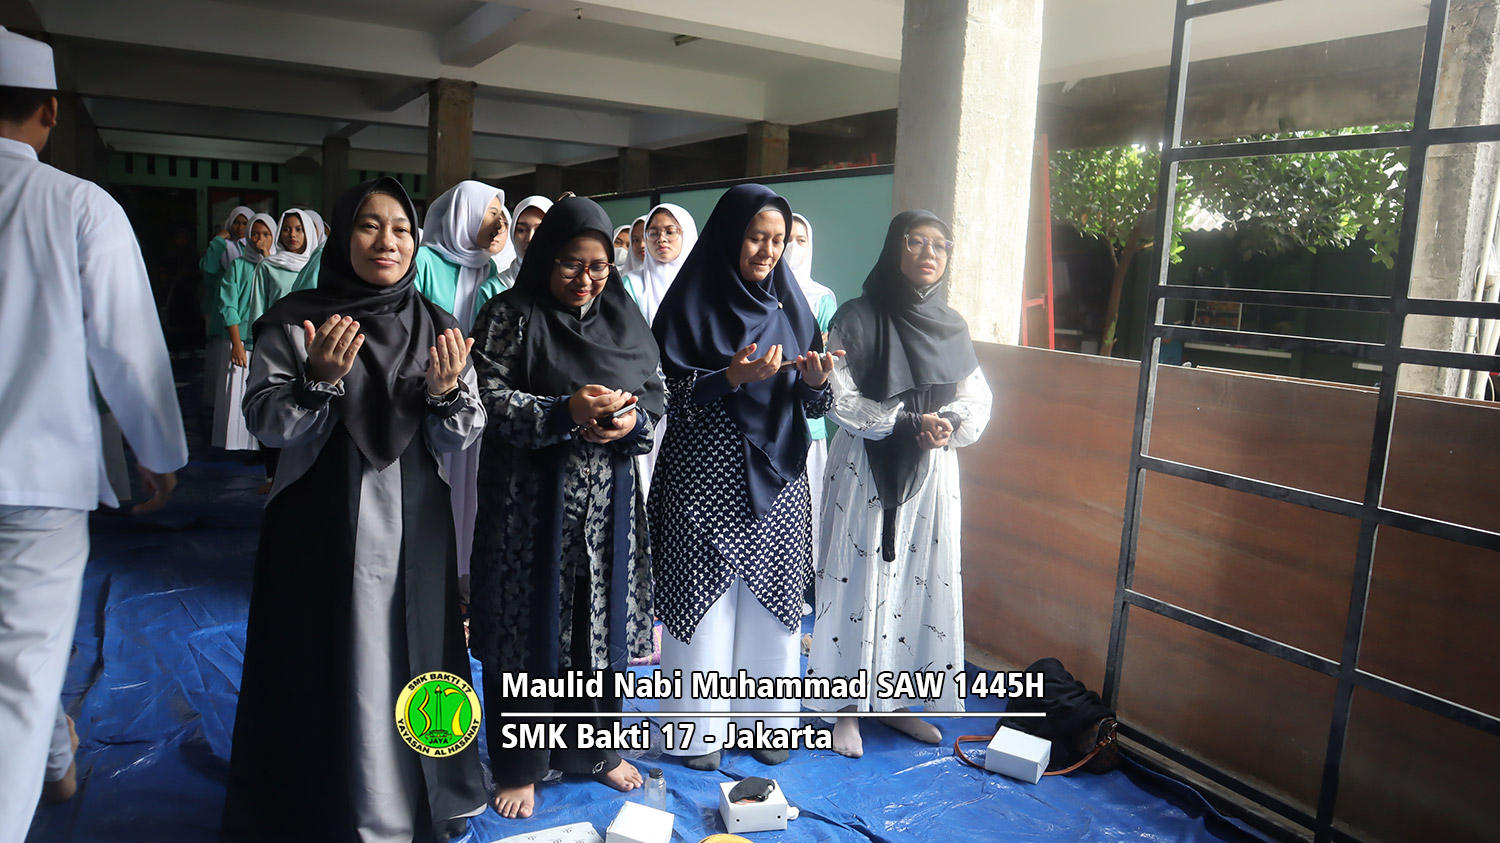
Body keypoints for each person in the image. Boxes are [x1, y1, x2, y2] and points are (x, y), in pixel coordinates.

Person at [221, 178, 486, 842]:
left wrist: (446, 393)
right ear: (343, 237)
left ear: (416, 241)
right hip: (318, 522)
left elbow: (463, 431)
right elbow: (266, 421)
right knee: (326, 658)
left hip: (415, 522)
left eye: (400, 228)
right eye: (369, 225)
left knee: (419, 651)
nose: (386, 241)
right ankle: (327, 805)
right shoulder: (297, 320)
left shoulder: (438, 327)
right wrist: (315, 381)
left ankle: (424, 798)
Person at [0, 27, 186, 842]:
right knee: (22, 662)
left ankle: (55, 761)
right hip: (38, 478)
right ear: (49, 110)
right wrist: (159, 452)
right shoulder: (77, 206)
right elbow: (127, 343)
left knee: (23, 656)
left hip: (42, 477)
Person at [469, 196, 662, 819]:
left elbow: (653, 395)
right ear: (546, 257)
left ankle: (595, 752)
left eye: (599, 265)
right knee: (529, 629)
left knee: (594, 626)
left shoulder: (623, 317)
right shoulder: (509, 315)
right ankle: (521, 766)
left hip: (606, 504)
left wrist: (629, 422)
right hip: (529, 504)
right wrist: (564, 411)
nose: (586, 278)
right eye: (571, 263)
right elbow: (487, 398)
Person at [648, 184, 838, 771]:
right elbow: (664, 398)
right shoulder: (688, 304)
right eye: (757, 237)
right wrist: (728, 378)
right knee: (702, 603)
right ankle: (696, 732)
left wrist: (816, 384)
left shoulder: (792, 307)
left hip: (778, 481)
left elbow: (815, 405)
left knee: (771, 603)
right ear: (732, 234)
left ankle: (766, 724)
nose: (768, 251)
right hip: (701, 481)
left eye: (778, 241)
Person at [806, 211, 992, 758]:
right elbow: (838, 397)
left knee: (918, 575)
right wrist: (906, 423)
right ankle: (844, 709)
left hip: (930, 471)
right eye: (916, 241)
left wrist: (948, 423)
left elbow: (976, 397)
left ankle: (900, 700)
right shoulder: (856, 317)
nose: (929, 253)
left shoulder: (951, 325)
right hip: (867, 463)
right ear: (895, 246)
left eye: (940, 245)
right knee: (857, 577)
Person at [414, 180, 511, 597]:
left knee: (471, 488)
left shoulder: (492, 270)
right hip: (430, 393)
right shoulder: (423, 261)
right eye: (490, 212)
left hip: (475, 398)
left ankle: (463, 577)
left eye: (501, 214)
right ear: (463, 215)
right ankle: (426, 575)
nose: (499, 222)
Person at [246, 209, 323, 490]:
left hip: (310, 349)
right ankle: (272, 476)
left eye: (299, 229)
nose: (293, 235)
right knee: (274, 407)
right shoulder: (268, 266)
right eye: (287, 229)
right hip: (277, 345)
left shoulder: (317, 263)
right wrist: (256, 345)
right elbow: (258, 309)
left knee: (304, 409)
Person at [785, 213, 838, 610]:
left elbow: (823, 354)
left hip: (808, 421)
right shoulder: (760, 292)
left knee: (809, 509)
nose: (792, 247)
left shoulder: (821, 297)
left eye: (801, 239)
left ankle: (807, 588)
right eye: (786, 238)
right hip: (769, 418)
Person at [212, 212, 274, 452]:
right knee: (238, 392)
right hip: (242, 340)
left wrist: (267, 258)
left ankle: (261, 446)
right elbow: (228, 305)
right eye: (255, 234)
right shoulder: (238, 266)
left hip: (268, 342)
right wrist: (236, 344)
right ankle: (238, 445)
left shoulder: (276, 266)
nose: (259, 240)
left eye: (266, 234)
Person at [635, 203, 698, 326]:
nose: (661, 239)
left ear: (687, 234)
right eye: (653, 233)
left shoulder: (704, 281)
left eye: (670, 232)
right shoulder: (631, 283)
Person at [494, 194, 552, 287]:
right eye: (522, 230)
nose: (530, 238)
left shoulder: (565, 286)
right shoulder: (492, 288)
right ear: (513, 233)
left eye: (539, 230)